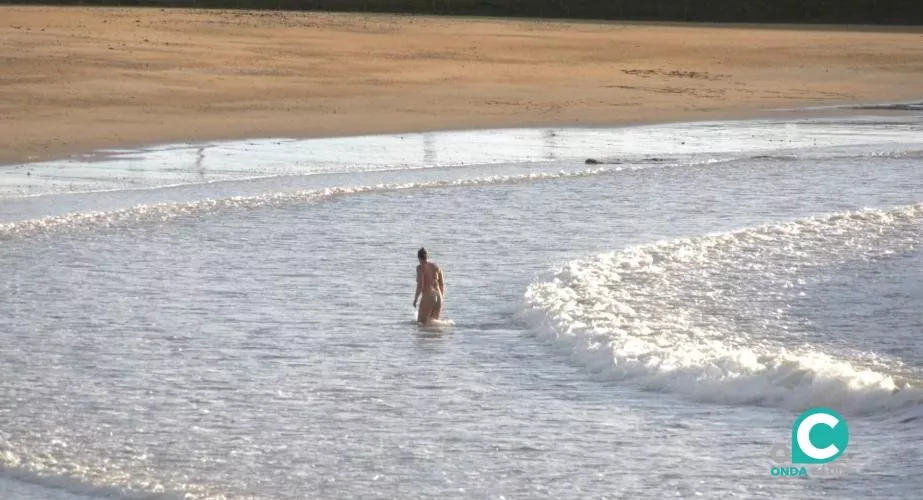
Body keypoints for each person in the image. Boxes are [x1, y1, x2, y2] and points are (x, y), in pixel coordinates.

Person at [413, 247, 444, 325]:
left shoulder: (420, 268)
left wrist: (415, 299)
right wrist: (441, 298)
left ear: (419, 258)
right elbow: (441, 284)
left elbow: (421, 285)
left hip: (428, 295)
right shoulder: (436, 266)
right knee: (434, 325)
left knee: (420, 324)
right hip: (439, 296)